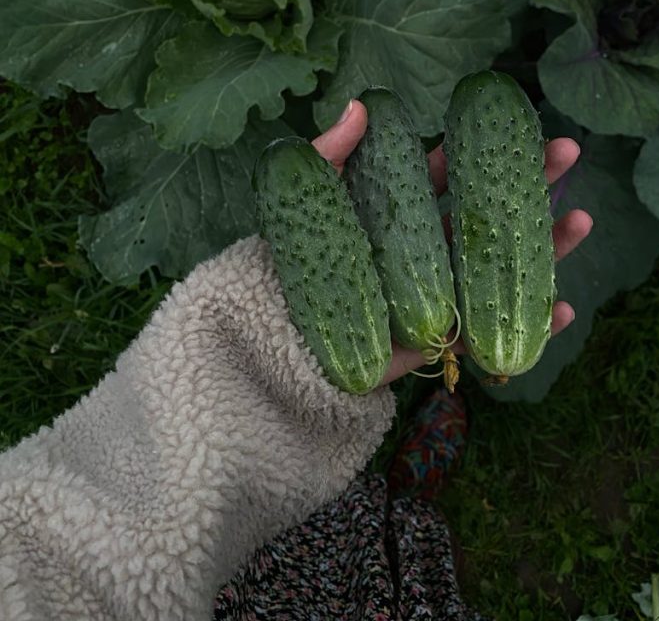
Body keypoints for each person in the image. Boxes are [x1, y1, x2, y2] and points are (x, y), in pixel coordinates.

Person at [0, 99, 592, 620]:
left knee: (305, 545)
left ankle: (392, 507)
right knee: (365, 566)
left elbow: (56, 543)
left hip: (191, 569)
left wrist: (261, 359)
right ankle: (403, 504)